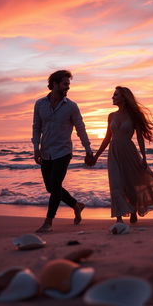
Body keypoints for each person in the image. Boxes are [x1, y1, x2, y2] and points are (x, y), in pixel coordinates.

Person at [91, 86, 153, 224]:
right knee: (115, 184)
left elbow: (140, 138)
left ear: (124, 97)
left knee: (131, 184)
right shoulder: (111, 116)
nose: (112, 97)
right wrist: (96, 156)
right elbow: (107, 138)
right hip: (114, 152)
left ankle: (133, 210)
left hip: (129, 151)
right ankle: (118, 218)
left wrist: (144, 157)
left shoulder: (134, 116)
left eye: (115, 95)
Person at [32, 70, 93, 232]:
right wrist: (36, 148)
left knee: (56, 184)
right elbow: (36, 127)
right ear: (54, 84)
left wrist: (88, 149)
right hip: (46, 152)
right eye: (65, 84)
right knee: (51, 188)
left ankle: (48, 222)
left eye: (68, 84)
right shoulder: (40, 104)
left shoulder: (71, 106)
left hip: (63, 152)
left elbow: (80, 128)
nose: (68, 87)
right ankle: (76, 204)